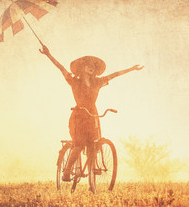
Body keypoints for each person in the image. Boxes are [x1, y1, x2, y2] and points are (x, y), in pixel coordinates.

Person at [39, 45, 144, 181]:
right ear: (82, 68)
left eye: (93, 66)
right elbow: (61, 68)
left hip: (92, 116)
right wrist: (48, 54)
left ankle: (92, 176)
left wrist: (132, 69)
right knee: (79, 144)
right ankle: (67, 171)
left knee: (94, 144)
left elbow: (115, 75)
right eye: (88, 65)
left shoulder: (97, 82)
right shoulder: (74, 82)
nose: (91, 67)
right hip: (79, 116)